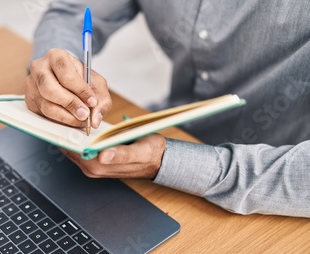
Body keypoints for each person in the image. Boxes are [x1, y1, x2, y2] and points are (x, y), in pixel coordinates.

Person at [25, 1, 310, 218]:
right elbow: (73, 13)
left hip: (277, 194)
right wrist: (58, 71)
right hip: (170, 132)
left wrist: (169, 162)